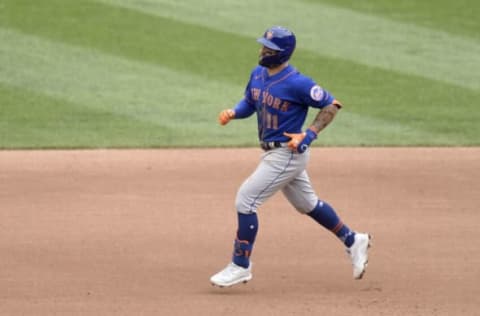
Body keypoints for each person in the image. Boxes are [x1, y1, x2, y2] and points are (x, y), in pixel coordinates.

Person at [210, 26, 371, 288]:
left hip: (287, 153)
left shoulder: (298, 83)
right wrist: (234, 112)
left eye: (268, 48)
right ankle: (354, 240)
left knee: (245, 200)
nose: (262, 51)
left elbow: (332, 104)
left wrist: (308, 135)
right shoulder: (258, 74)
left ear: (282, 53)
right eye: (263, 45)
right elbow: (250, 102)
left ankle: (240, 266)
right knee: (307, 204)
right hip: (274, 152)